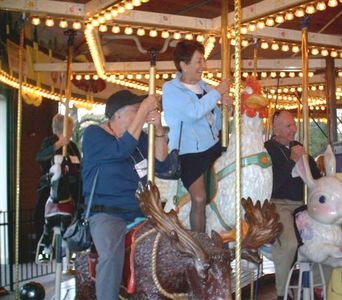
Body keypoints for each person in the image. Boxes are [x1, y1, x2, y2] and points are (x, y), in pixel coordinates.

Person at [82, 90, 169, 300]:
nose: (140, 113)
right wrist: (144, 112)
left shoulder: (138, 137)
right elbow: (121, 150)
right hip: (108, 214)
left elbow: (163, 163)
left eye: (140, 109)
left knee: (173, 244)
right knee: (111, 255)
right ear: (118, 114)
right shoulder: (94, 134)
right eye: (135, 109)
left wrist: (158, 128)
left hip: (142, 211)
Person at [162, 40, 231, 233]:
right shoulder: (171, 89)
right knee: (199, 197)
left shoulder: (205, 88)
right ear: (184, 65)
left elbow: (214, 121)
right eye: (199, 61)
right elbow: (192, 113)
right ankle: (199, 244)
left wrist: (225, 107)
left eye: (203, 61)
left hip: (213, 146)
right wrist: (217, 93)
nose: (203, 66)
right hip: (189, 152)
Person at [264, 110, 323, 300]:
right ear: (276, 128)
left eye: (294, 125)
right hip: (278, 204)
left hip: (301, 205)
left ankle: (317, 286)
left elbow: (313, 175)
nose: (294, 129)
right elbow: (273, 182)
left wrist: (305, 157)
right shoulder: (267, 149)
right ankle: (282, 292)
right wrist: (293, 160)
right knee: (289, 243)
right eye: (288, 126)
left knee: (324, 239)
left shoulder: (297, 146)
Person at [35, 114, 81, 259]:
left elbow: (79, 164)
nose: (73, 130)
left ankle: (76, 239)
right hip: (52, 185)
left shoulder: (72, 146)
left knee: (81, 203)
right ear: (65, 128)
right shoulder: (50, 141)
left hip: (71, 186)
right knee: (42, 208)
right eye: (71, 127)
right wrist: (58, 144)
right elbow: (40, 157)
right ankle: (44, 243)